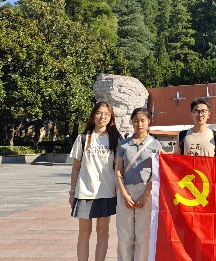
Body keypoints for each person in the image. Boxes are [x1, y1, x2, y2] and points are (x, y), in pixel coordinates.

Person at [69, 102, 122, 261]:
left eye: (106, 114)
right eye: (99, 113)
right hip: (84, 192)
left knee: (103, 232)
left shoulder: (115, 139)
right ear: (93, 115)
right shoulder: (83, 138)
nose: (102, 117)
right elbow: (76, 167)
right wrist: (72, 192)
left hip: (106, 192)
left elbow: (118, 167)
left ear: (111, 117)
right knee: (84, 234)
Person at [115, 107, 162, 261]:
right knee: (124, 235)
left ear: (149, 121)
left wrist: (145, 194)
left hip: (146, 190)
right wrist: (124, 194)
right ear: (132, 122)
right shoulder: (124, 144)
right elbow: (118, 170)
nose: (139, 124)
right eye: (136, 121)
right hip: (126, 190)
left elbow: (157, 172)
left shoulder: (155, 144)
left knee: (143, 235)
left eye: (143, 120)